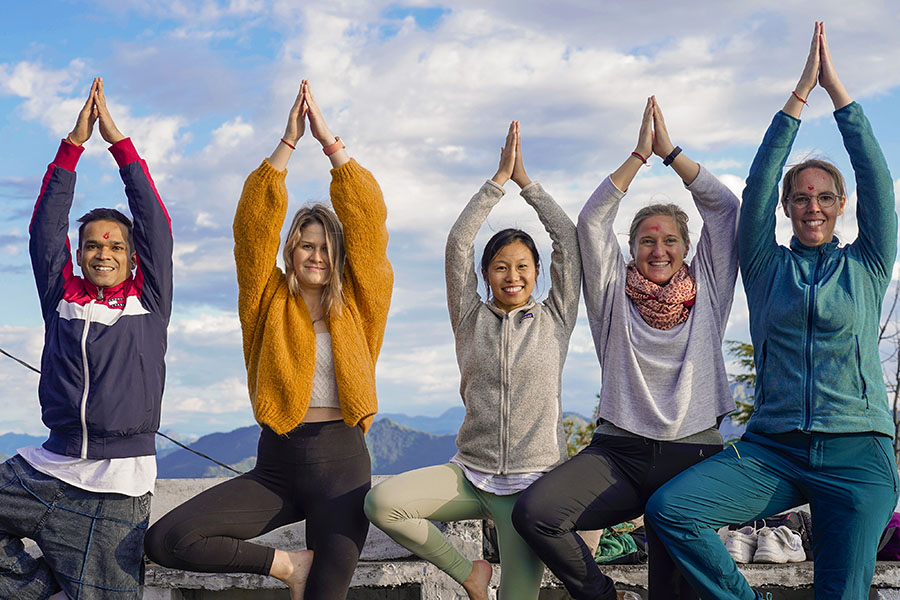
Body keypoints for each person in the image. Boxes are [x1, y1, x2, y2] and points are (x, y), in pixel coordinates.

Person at [645, 22, 899, 599]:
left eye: (825, 197)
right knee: (672, 509)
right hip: (774, 450)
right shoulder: (765, 266)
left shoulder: (868, 263)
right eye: (801, 197)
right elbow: (756, 185)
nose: (813, 206)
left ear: (840, 207)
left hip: (858, 452)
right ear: (786, 208)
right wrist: (797, 98)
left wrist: (840, 96)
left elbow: (878, 182)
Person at [144, 80, 393, 600]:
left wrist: (332, 144)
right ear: (291, 251)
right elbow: (251, 229)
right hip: (276, 467)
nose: (316, 256)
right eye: (306, 245)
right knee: (168, 539)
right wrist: (287, 143)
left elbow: (368, 224)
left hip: (344, 468)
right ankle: (287, 566)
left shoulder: (360, 306)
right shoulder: (265, 300)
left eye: (326, 247)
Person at [512, 97, 740, 600]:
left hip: (693, 456)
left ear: (687, 248)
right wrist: (638, 156)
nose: (658, 251)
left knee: (671, 589)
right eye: (646, 241)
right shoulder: (613, 292)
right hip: (620, 453)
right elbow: (593, 220)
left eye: (670, 241)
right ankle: (604, 596)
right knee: (536, 513)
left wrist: (671, 153)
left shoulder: (710, 287)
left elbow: (724, 209)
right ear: (631, 249)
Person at [364, 121, 581, 600]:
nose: (512, 276)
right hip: (470, 475)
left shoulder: (555, 318)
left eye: (522, 267)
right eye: (501, 267)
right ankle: (469, 574)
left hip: (531, 489)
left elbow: (566, 236)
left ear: (537, 273)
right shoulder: (469, 317)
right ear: (485, 275)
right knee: (383, 503)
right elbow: (458, 244)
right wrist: (496, 182)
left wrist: (527, 184)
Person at [0, 77, 173, 599]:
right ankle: (42, 587)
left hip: (116, 492)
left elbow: (156, 224)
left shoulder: (150, 302)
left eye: (116, 246)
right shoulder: (61, 298)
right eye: (93, 245)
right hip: (50, 469)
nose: (104, 253)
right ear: (79, 255)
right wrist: (72, 147)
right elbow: (43, 231)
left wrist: (119, 144)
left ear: (132, 256)